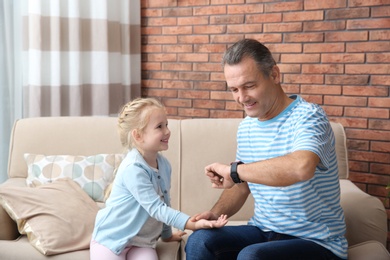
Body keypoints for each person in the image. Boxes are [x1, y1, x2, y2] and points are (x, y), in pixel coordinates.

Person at [185, 39, 348, 260]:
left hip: (316, 242)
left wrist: (234, 171)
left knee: (253, 256)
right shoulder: (247, 126)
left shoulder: (309, 117)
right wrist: (215, 214)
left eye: (249, 86)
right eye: (234, 89)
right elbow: (242, 187)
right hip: (264, 231)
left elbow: (301, 167)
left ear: (274, 75)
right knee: (200, 240)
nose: (242, 98)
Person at [90, 97, 228, 260]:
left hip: (141, 243)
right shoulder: (133, 169)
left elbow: (164, 202)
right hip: (111, 241)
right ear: (138, 135)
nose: (167, 131)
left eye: (166, 125)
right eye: (159, 127)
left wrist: (167, 235)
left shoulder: (164, 165)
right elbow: (157, 209)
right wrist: (192, 224)